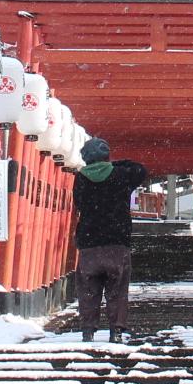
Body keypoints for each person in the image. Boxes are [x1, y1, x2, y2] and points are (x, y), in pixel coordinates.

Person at [71, 136, 147, 343]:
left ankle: (88, 330)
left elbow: (78, 203)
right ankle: (116, 331)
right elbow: (141, 170)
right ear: (106, 155)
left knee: (88, 290)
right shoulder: (121, 175)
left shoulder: (80, 179)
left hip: (89, 242)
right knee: (117, 290)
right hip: (117, 241)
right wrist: (114, 164)